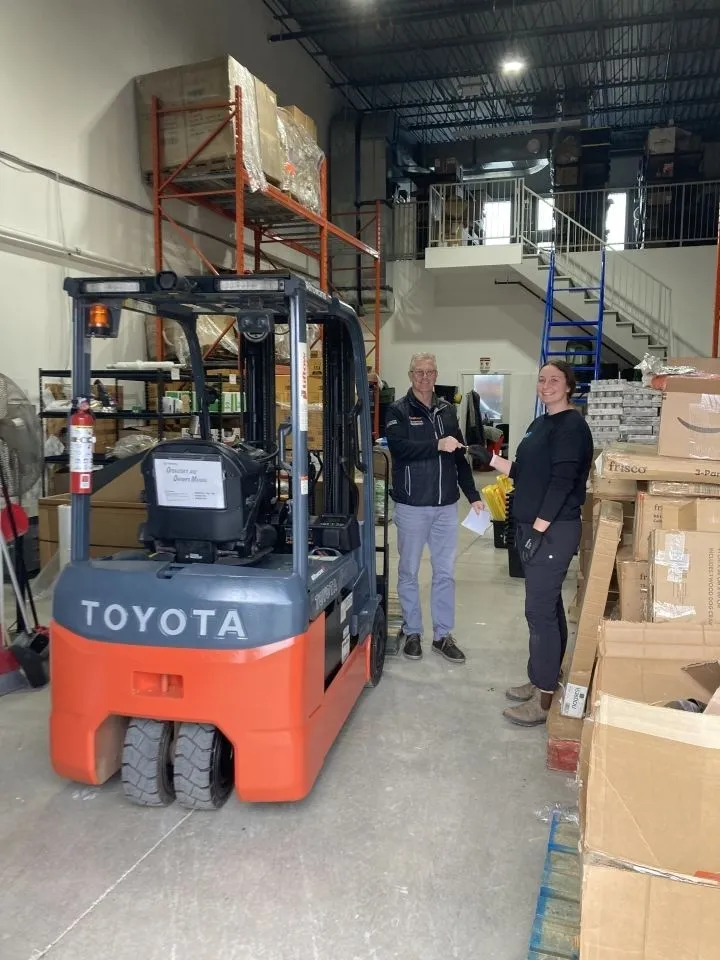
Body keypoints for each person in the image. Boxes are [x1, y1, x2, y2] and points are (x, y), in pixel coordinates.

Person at [488, 361, 594, 725]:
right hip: (536, 527)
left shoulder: (571, 426)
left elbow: (562, 483)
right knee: (548, 607)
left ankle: (544, 697)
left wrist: (537, 529)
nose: (546, 385)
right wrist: (488, 458)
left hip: (553, 530)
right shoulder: (540, 424)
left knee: (538, 612)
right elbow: (524, 472)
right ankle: (543, 679)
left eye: (555, 380)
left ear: (569, 386)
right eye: (542, 379)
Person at [385, 353, 484, 664]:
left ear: (436, 375)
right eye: (419, 372)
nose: (424, 377)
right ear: (410, 375)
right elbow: (399, 448)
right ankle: (413, 632)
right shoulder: (398, 410)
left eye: (429, 372)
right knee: (409, 571)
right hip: (412, 505)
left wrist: (473, 495)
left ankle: (442, 636)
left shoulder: (447, 411)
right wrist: (436, 445)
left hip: (445, 507)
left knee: (444, 573)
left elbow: (459, 456)